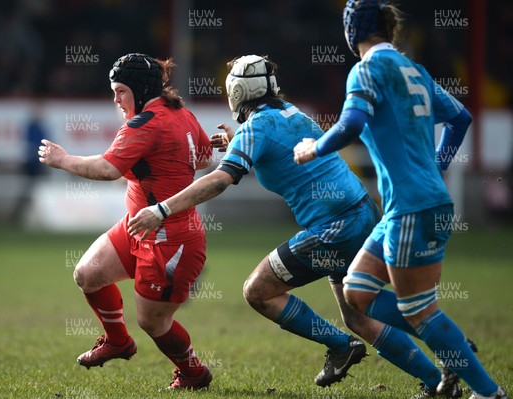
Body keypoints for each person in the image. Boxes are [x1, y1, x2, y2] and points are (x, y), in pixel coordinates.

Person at [128, 55, 462, 391]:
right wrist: (239, 144)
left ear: (237, 91)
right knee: (359, 316)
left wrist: (162, 210)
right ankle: (436, 380)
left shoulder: (257, 126)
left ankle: (342, 346)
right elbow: (281, 155)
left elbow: (219, 180)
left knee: (258, 291)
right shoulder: (291, 114)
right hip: (362, 213)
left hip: (336, 226)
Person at [293, 2, 507, 399]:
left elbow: (351, 124)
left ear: (350, 31)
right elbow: (460, 118)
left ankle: (488, 392)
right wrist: (436, 165)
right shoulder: (414, 70)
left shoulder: (366, 69)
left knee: (418, 310)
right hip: (406, 207)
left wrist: (312, 149)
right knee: (357, 293)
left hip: (414, 207)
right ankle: (454, 345)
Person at [38, 53, 214, 390]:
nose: (116, 100)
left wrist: (63, 160)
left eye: (120, 91)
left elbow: (108, 169)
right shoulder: (182, 113)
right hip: (137, 225)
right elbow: (204, 156)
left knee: (154, 321)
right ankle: (118, 341)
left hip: (171, 240)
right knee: (88, 274)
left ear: (139, 89)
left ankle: (194, 373)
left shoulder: (146, 122)